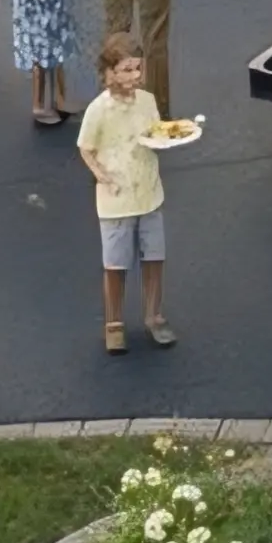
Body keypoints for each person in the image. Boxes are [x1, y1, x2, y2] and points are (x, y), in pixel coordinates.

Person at [80, 33, 176, 350]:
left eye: (137, 68)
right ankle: (114, 324)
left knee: (154, 258)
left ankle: (153, 316)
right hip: (116, 201)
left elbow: (156, 131)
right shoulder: (99, 110)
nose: (134, 76)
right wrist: (101, 176)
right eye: (126, 70)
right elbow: (86, 148)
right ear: (109, 73)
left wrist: (164, 140)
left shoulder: (147, 101)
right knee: (116, 266)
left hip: (149, 193)